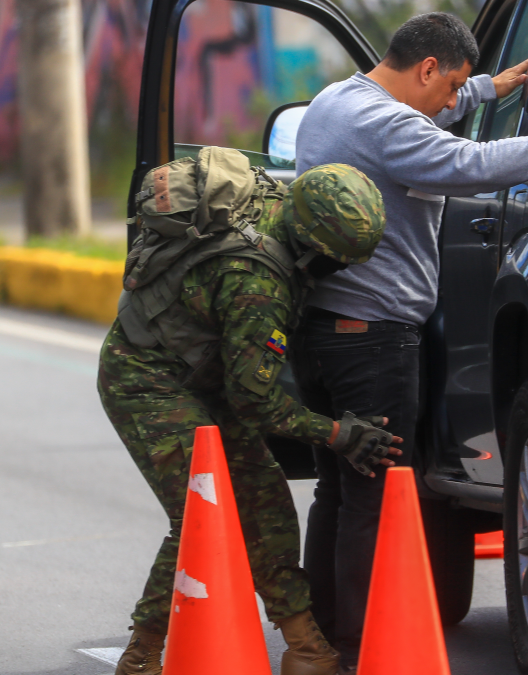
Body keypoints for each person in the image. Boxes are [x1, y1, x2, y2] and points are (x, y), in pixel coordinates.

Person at [291, 11, 528, 673]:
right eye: (449, 86)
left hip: (323, 332)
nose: (449, 103)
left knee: (337, 489)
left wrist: (487, 90)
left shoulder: (336, 102)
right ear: (427, 67)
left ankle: (322, 627)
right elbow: (467, 163)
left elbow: (432, 116)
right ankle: (359, 642)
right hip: (373, 340)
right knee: (374, 495)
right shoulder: (391, 126)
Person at [98, 159, 400, 675]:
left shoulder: (285, 211)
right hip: (145, 380)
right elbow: (254, 402)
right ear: (311, 245)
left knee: (267, 502)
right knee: (203, 514)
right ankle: (143, 652)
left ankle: (304, 645)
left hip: (201, 376)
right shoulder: (258, 280)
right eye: (334, 262)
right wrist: (337, 435)